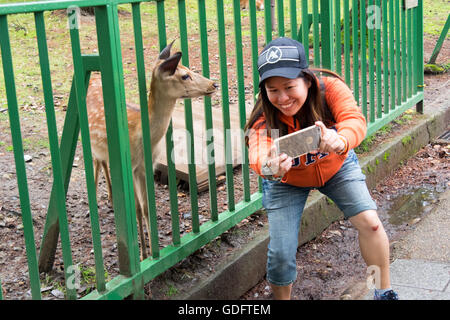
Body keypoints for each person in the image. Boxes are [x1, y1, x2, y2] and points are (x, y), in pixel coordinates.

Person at [244, 37, 399, 300]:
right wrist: (270, 165)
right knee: (281, 252)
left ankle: (382, 291)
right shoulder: (264, 117)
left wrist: (341, 140)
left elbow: (354, 119)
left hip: (337, 166)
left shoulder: (330, 90)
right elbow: (257, 153)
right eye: (272, 90)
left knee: (370, 223)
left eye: (289, 86)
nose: (282, 98)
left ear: (306, 79)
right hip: (286, 181)